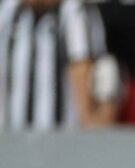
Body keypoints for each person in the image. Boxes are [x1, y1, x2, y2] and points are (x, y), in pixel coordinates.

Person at [0, 0, 117, 131]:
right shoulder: (8, 12)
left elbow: (82, 71)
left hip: (64, 142)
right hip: (9, 140)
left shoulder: (75, 12)